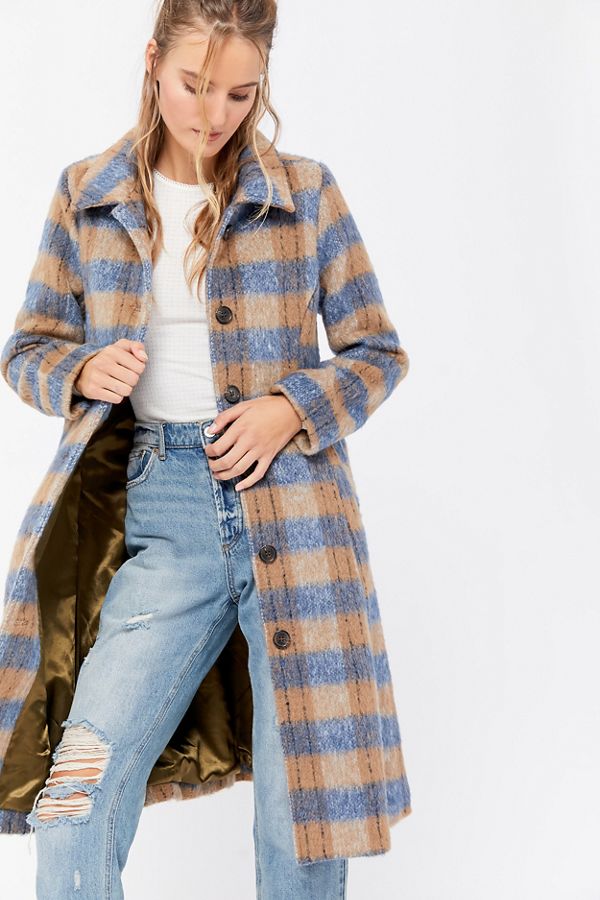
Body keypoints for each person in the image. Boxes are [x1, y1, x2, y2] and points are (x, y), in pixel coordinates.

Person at [0, 1, 412, 897]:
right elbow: (26, 349)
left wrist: (290, 408)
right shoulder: (88, 192)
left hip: (296, 516)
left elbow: (378, 352)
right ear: (153, 61)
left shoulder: (305, 192)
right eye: (194, 84)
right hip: (164, 513)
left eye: (239, 93)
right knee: (76, 794)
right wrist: (82, 369)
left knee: (299, 816)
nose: (213, 113)